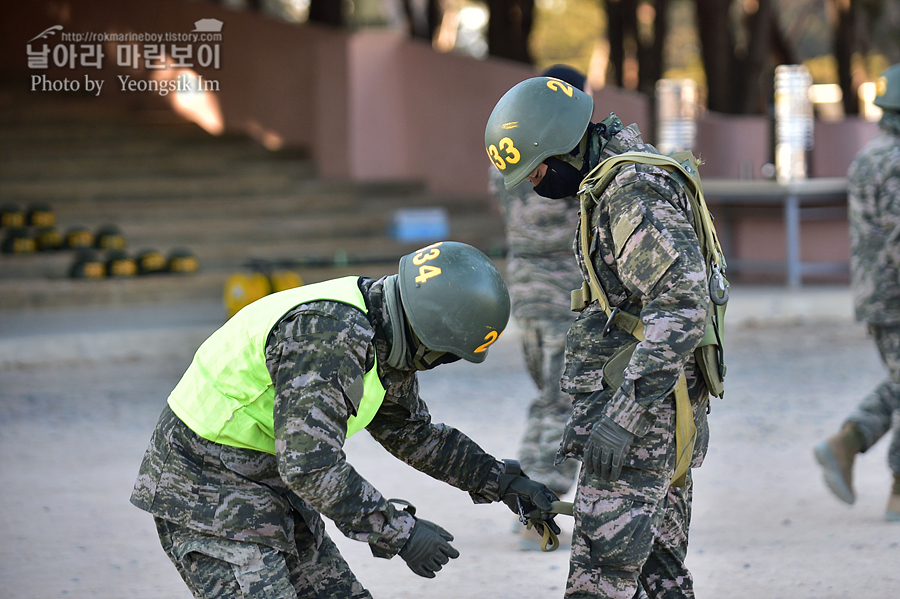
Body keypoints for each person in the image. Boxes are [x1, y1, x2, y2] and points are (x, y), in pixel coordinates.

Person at [130, 240, 561, 599]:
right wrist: (400, 533)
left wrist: (501, 481)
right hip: (205, 486)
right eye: (448, 355)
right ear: (431, 338)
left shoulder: (386, 330)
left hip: (267, 481)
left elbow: (412, 433)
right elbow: (310, 465)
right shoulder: (330, 338)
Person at [485, 78, 714, 598]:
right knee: (660, 579)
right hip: (651, 409)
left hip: (639, 423)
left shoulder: (631, 191)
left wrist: (623, 418)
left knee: (598, 581)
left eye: (539, 172)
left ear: (560, 145)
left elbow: (681, 303)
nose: (537, 185)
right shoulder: (613, 178)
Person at [488, 65, 589, 509]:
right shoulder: (565, 164)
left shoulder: (508, 163)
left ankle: (530, 491)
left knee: (551, 396)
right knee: (562, 400)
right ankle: (536, 496)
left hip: (524, 295)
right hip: (564, 294)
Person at [814, 63, 900, 522]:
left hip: (877, 293)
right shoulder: (897, 160)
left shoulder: (871, 155)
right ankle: (899, 491)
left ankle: (847, 442)